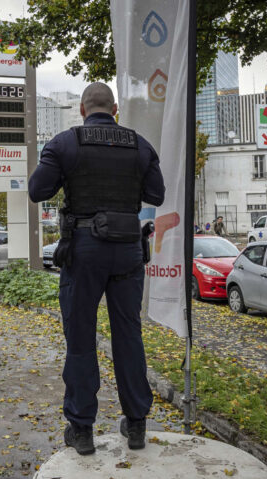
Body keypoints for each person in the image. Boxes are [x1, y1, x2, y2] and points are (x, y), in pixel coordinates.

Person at [28, 82, 165, 455]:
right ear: (115, 109)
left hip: (84, 251)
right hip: (126, 252)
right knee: (128, 337)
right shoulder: (139, 145)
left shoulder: (65, 143)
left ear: (83, 111)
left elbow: (37, 190)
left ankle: (82, 429)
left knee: (81, 340)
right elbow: (156, 195)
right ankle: (136, 425)